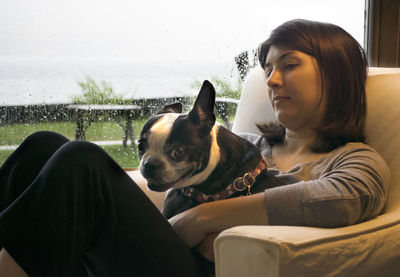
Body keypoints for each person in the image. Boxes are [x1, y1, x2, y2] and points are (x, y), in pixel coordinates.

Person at [0, 19, 390, 277]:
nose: (271, 80)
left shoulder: (353, 159)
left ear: (336, 75)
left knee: (80, 159)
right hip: (158, 257)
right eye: (268, 69)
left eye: (289, 65)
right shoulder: (245, 147)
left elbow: (341, 198)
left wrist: (200, 219)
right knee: (42, 146)